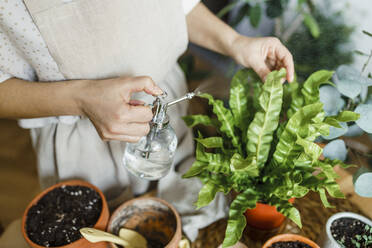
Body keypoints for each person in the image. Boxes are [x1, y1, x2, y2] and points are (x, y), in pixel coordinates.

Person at [0, 0, 294, 242]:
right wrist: (80, 99)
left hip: (166, 106)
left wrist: (235, 42)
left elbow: (174, 7)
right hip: (81, 138)